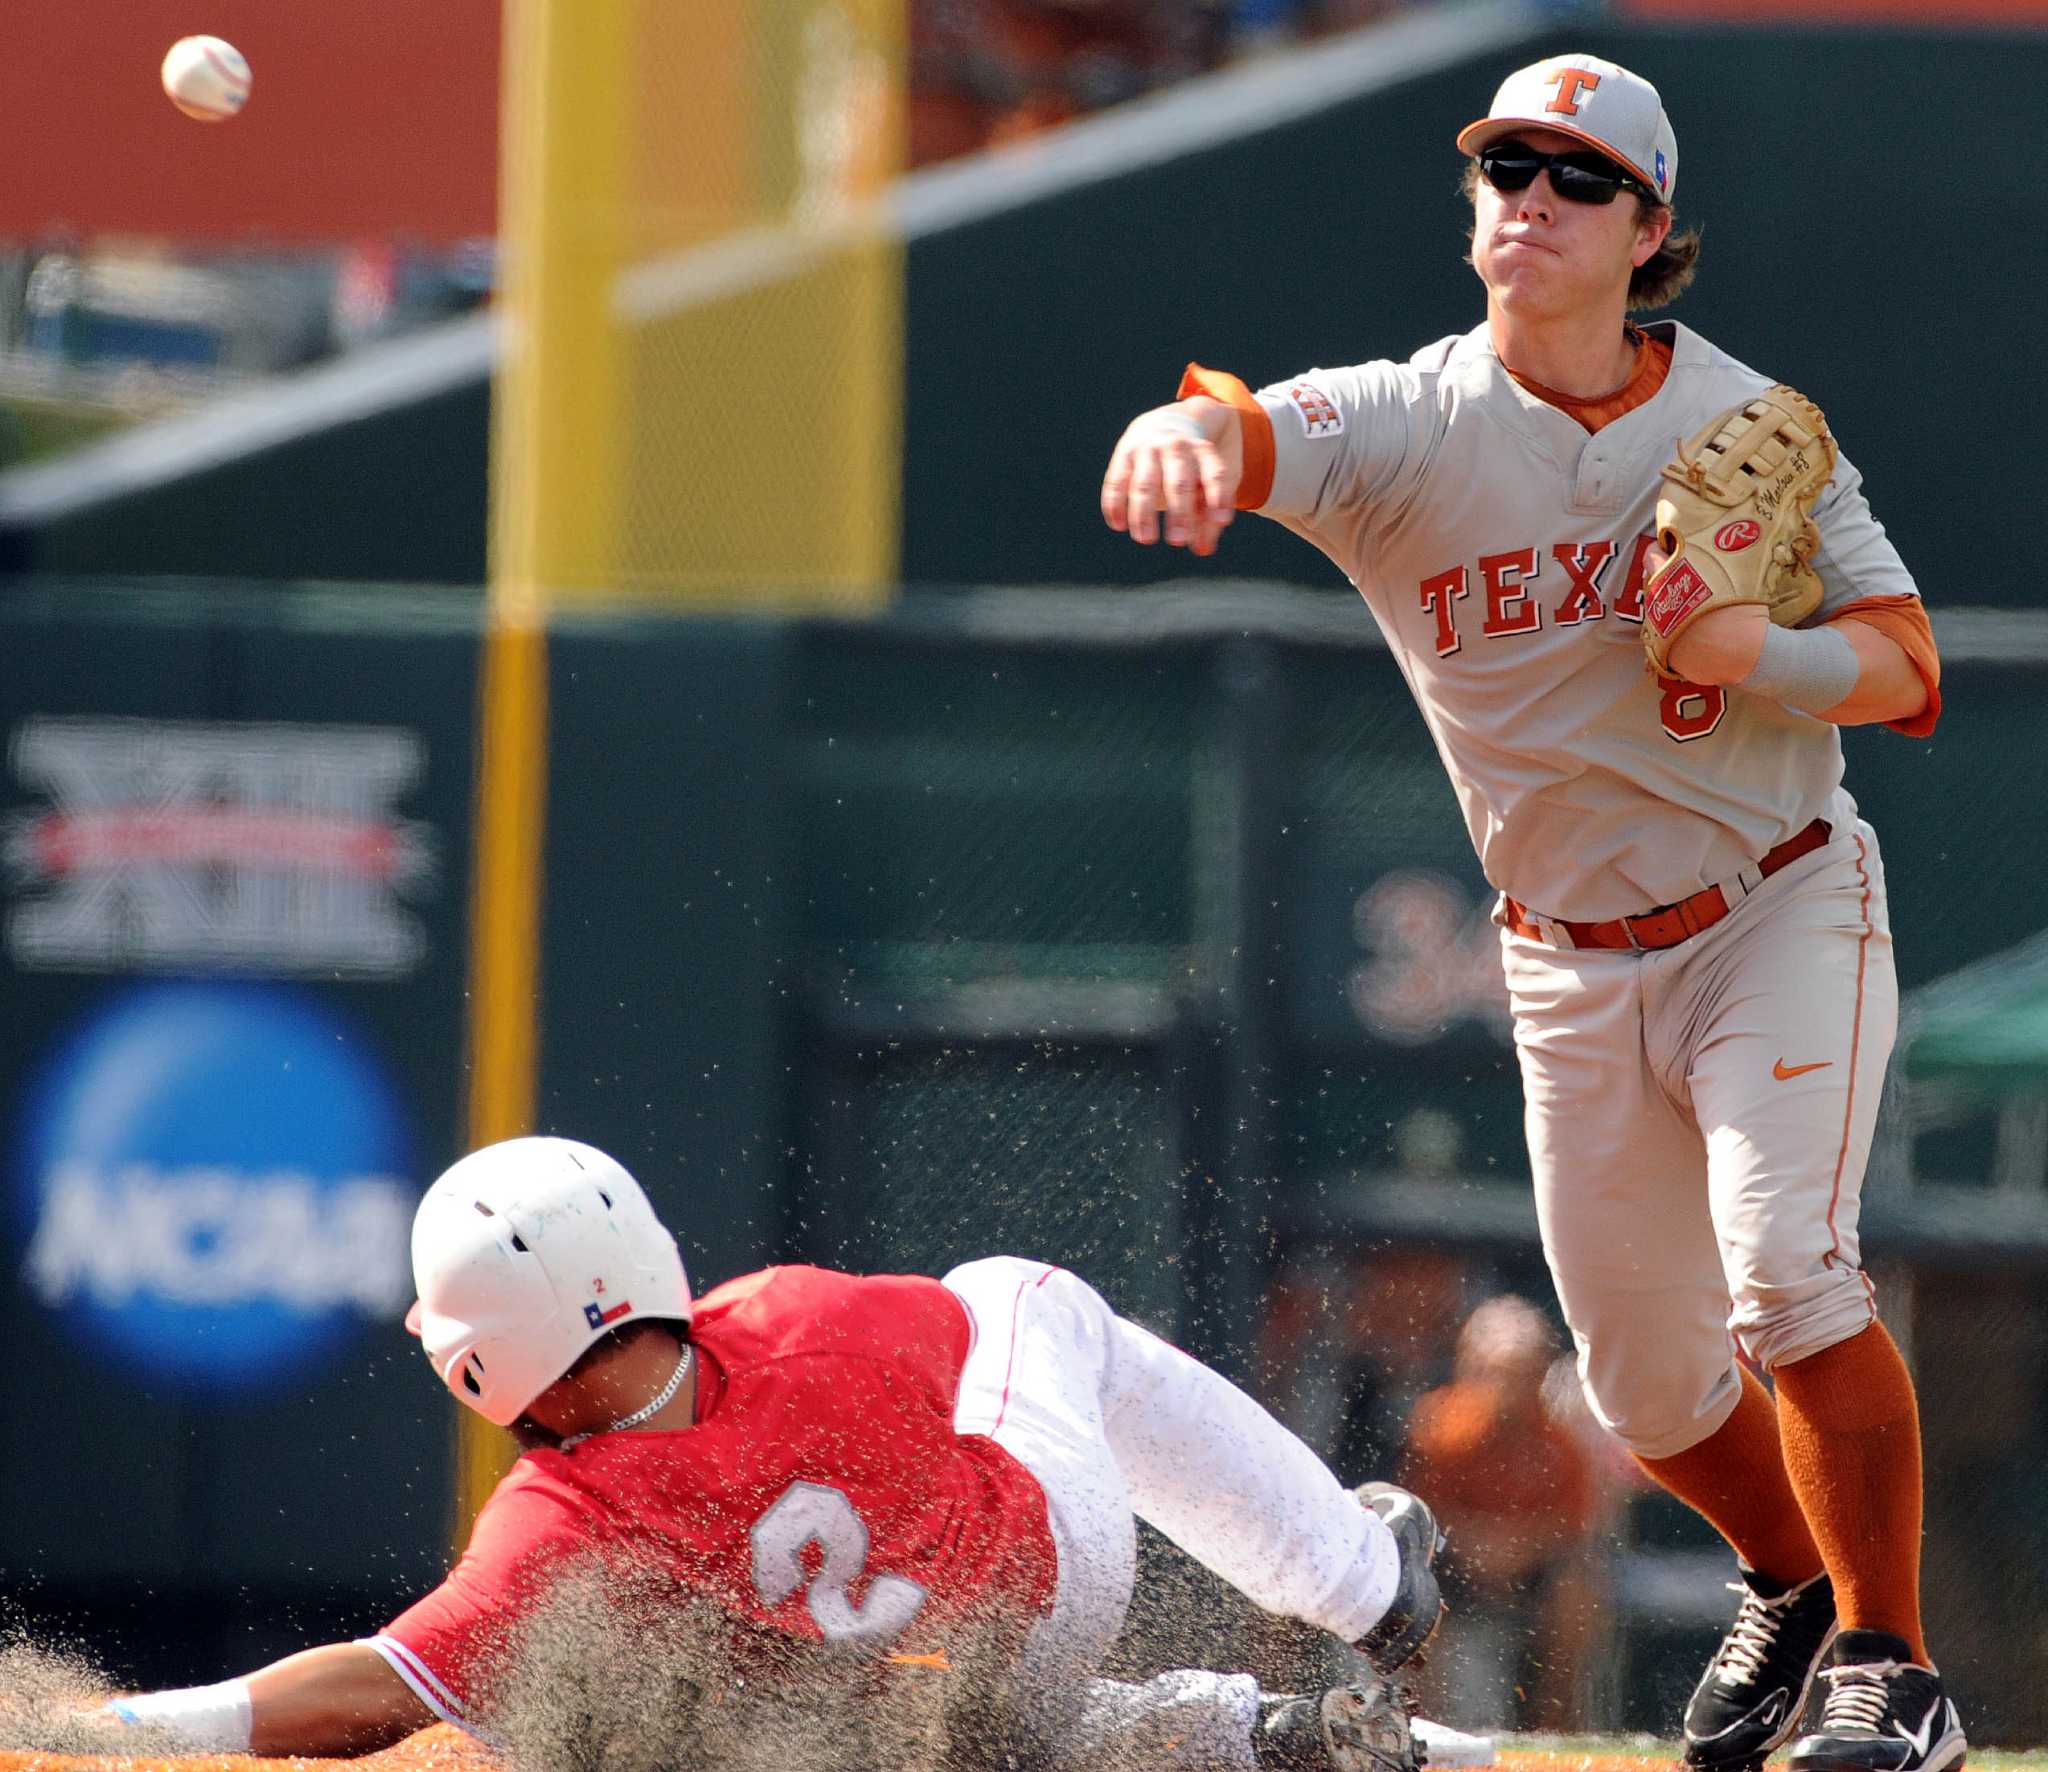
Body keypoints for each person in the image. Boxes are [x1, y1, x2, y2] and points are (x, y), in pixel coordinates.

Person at [1099, 50, 1961, 1772]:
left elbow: (1907, 665)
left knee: (1788, 1272)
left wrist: (1754, 650)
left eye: (1574, 178)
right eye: (1502, 168)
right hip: (1562, 960)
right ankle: (1788, 1581)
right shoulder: (1411, 422)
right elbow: (1245, 424)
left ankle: (1892, 1669)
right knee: (1642, 1389)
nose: (1527, 202)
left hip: (1772, 903)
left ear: (1648, 229)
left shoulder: (1743, 425)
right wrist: (1179, 427)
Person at [95, 1134, 1452, 1771]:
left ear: (474, 1356)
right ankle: (1355, 1601)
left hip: (936, 1706)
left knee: (775, 1709)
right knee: (1021, 1294)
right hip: (1041, 1588)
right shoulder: (795, 1312)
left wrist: (130, 1726)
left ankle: (1269, 1716)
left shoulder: (557, 1516)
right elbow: (943, 1363)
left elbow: (370, 1696)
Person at [1397, 1296, 1605, 1731]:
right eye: (1494, 1373)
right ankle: (1420, 1725)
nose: (1508, 1388)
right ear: (1467, 1368)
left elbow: (1573, 1528)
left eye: (1522, 1374)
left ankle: (1553, 1731)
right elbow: (1416, 1517)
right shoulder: (1437, 1427)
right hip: (1452, 1564)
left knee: (1577, 1595)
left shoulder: (1559, 1443)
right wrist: (1477, 1542)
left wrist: (1516, 1547)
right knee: (1411, 1593)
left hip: (1529, 1571)